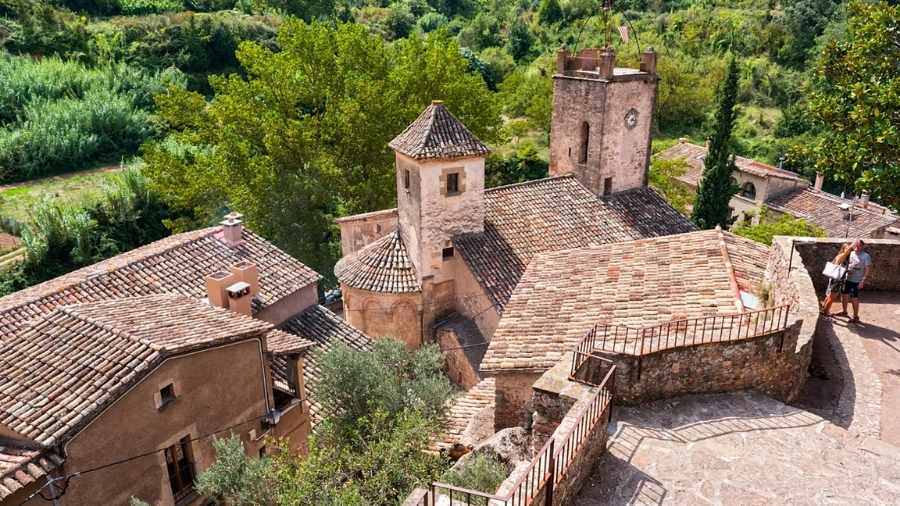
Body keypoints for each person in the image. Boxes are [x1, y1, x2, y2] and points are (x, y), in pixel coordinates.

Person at [841, 239, 872, 323]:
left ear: (862, 246)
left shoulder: (866, 256)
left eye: (859, 246)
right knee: (844, 295)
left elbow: (867, 269)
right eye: (856, 245)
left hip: (856, 280)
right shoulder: (851, 253)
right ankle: (844, 312)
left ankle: (855, 316)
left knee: (854, 298)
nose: (857, 247)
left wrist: (862, 280)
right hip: (848, 278)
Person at [822, 242, 852, 317]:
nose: (849, 251)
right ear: (844, 249)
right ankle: (826, 312)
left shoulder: (841, 256)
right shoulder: (842, 256)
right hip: (837, 279)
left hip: (835, 278)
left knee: (830, 295)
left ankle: (824, 309)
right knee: (832, 297)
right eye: (847, 249)